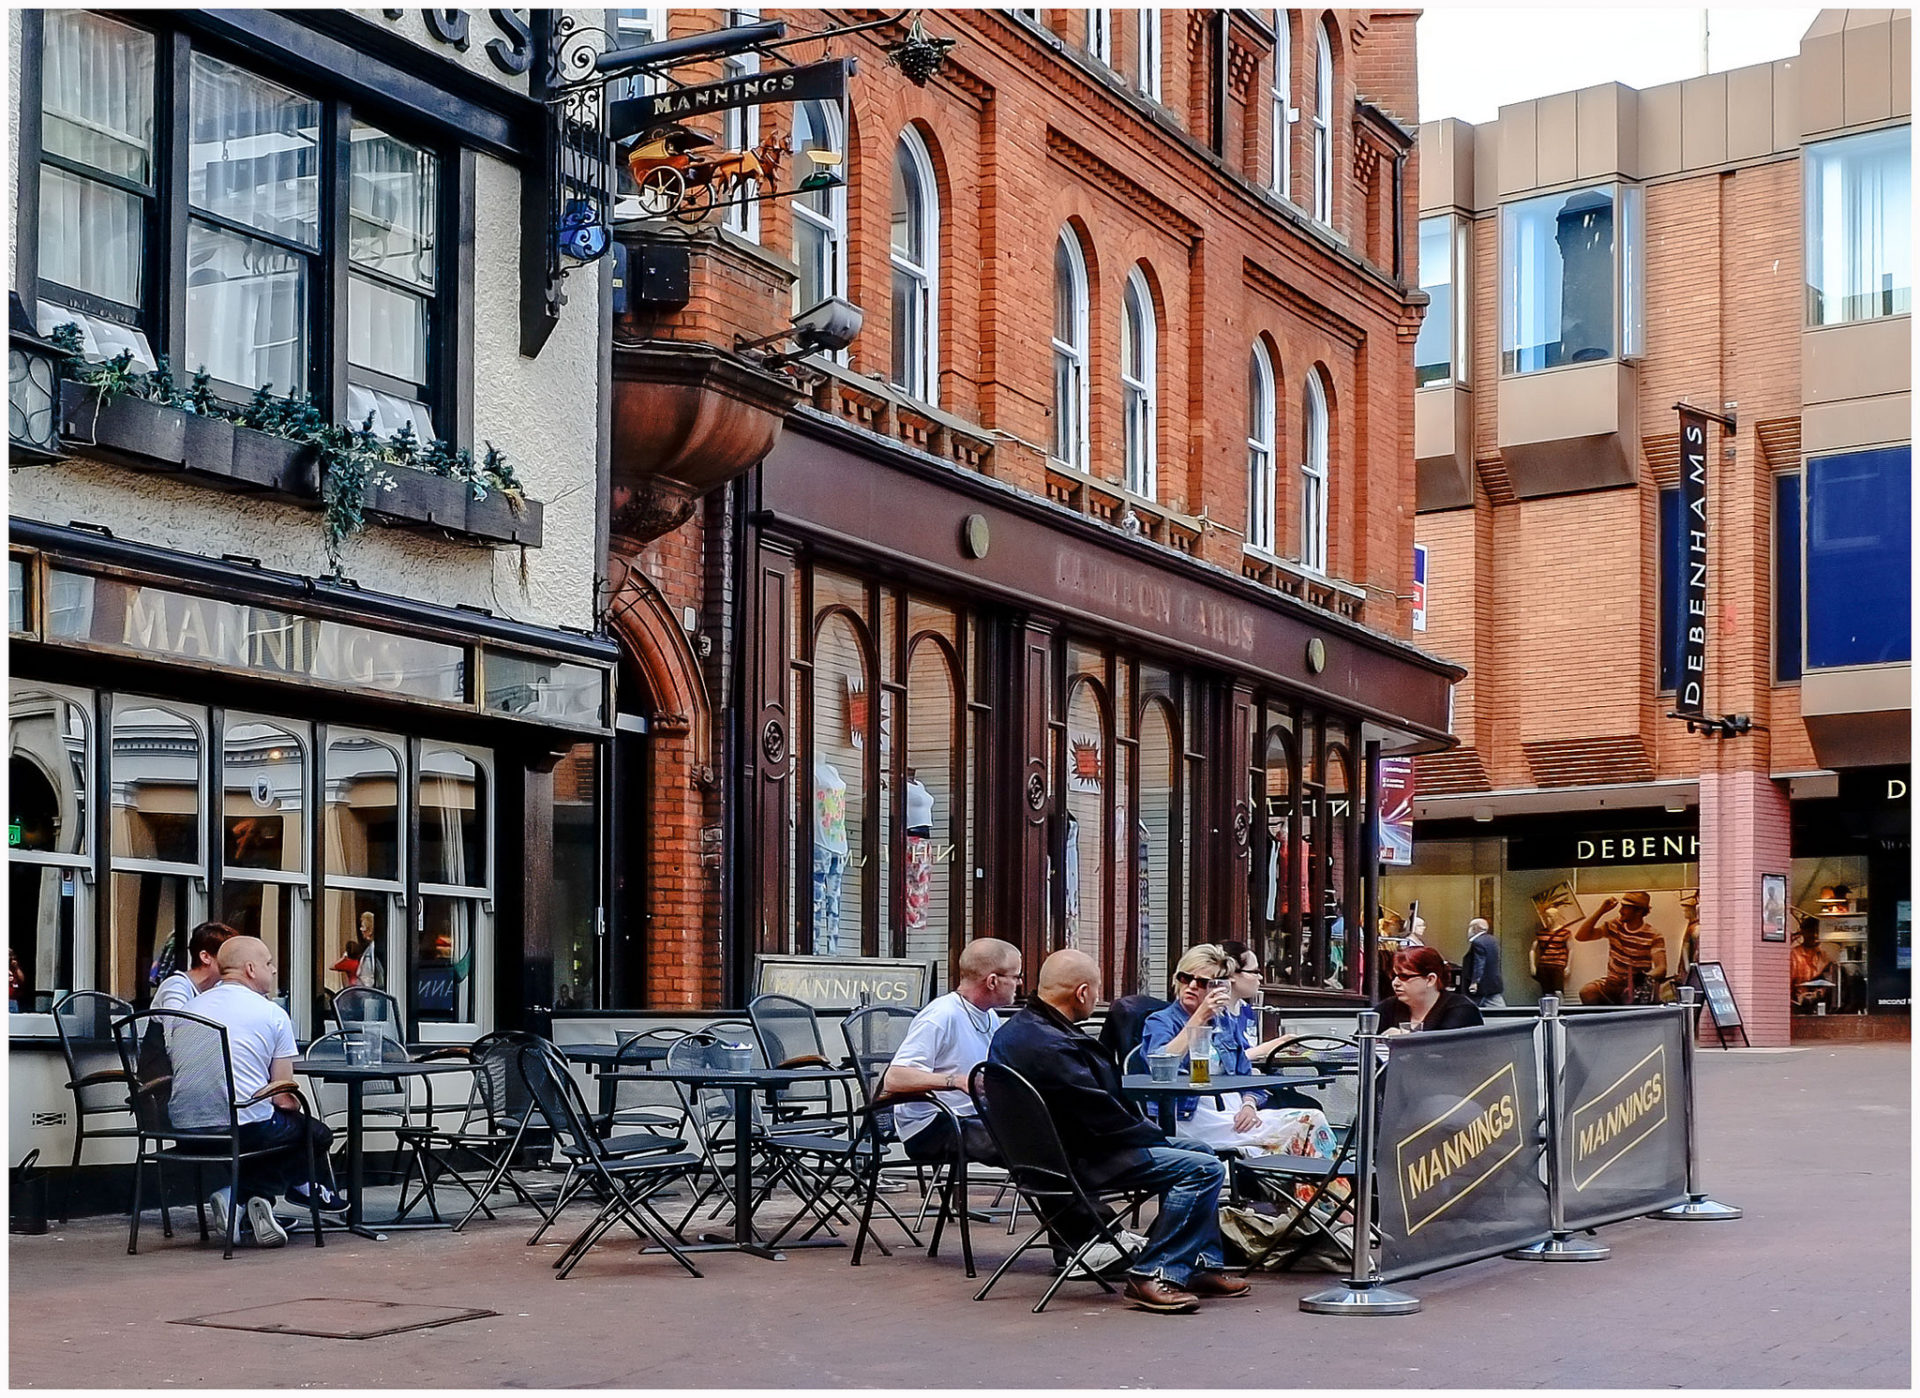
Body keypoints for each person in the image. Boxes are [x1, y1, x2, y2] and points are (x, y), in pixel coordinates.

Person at [990, 948, 1250, 1314]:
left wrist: (1150, 1135)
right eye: (1096, 991)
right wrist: (1152, 1135)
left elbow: (1096, 1112)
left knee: (1200, 1151)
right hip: (1083, 1157)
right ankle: (1152, 1272)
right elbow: (1103, 1117)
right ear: (1082, 993)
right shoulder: (1053, 1045)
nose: (1098, 999)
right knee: (1202, 1168)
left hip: (1051, 1154)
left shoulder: (1020, 1032)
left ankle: (1198, 1264)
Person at [884, 938, 1138, 1276]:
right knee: (1033, 1146)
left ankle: (1090, 1243)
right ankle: (1087, 1245)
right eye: (1016, 977)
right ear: (993, 981)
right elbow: (893, 1079)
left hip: (974, 1117)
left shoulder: (988, 1017)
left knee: (1056, 1132)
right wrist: (955, 1081)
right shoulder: (941, 1015)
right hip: (932, 1125)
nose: (1021, 985)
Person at [175, 936, 347, 1247]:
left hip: (184, 1128)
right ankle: (244, 1197)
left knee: (270, 1127)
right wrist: (294, 1106)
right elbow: (282, 1095)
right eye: (269, 963)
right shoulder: (271, 1014)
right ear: (251, 969)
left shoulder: (189, 1007)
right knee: (314, 1133)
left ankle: (254, 1201)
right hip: (244, 1129)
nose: (275, 970)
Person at [1140, 945, 1336, 1159]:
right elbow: (1159, 1065)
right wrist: (1198, 1018)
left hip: (1235, 1116)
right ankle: (1329, 1191)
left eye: (1203, 982)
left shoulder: (1224, 1023)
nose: (1192, 986)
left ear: (1219, 988)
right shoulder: (1161, 1020)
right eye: (1186, 978)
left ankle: (1313, 1192)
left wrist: (1249, 1105)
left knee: (1303, 1129)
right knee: (1308, 1121)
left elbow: (1245, 1072)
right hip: (1192, 1119)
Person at [1572, 892, 1668, 1005]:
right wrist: (1601, 910)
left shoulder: (1653, 935)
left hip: (1637, 987)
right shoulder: (1614, 926)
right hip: (1613, 983)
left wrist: (1644, 978)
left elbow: (1661, 968)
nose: (1620, 911)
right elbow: (1581, 936)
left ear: (1639, 911)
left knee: (1638, 1002)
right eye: (1622, 906)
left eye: (1625, 907)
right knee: (1587, 992)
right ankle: (1602, 1021)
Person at [1374, 945, 1484, 1035]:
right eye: (1394, 976)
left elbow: (1447, 1049)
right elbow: (1357, 1046)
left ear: (1430, 979)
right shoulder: (1387, 1008)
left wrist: (1405, 1040)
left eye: (1404, 977)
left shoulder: (1462, 1010)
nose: (1395, 983)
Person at [151, 922, 239, 1014]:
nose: (237, 962)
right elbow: (176, 1025)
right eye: (229, 956)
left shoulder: (219, 987)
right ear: (205, 957)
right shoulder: (176, 986)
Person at [1790, 917, 1836, 1013]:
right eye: (1811, 932)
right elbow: (1788, 985)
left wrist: (1819, 993)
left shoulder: (1825, 955)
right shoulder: (1794, 955)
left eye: (1817, 932)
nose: (1815, 935)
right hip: (1799, 1005)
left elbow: (1831, 980)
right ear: (1803, 932)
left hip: (1822, 1004)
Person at [1459, 919, 1506, 1008]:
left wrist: (1475, 982)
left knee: (1469, 1008)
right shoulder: (1492, 940)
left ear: (1475, 928)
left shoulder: (1478, 943)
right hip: (1493, 984)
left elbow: (1479, 963)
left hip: (1481, 988)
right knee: (1499, 1008)